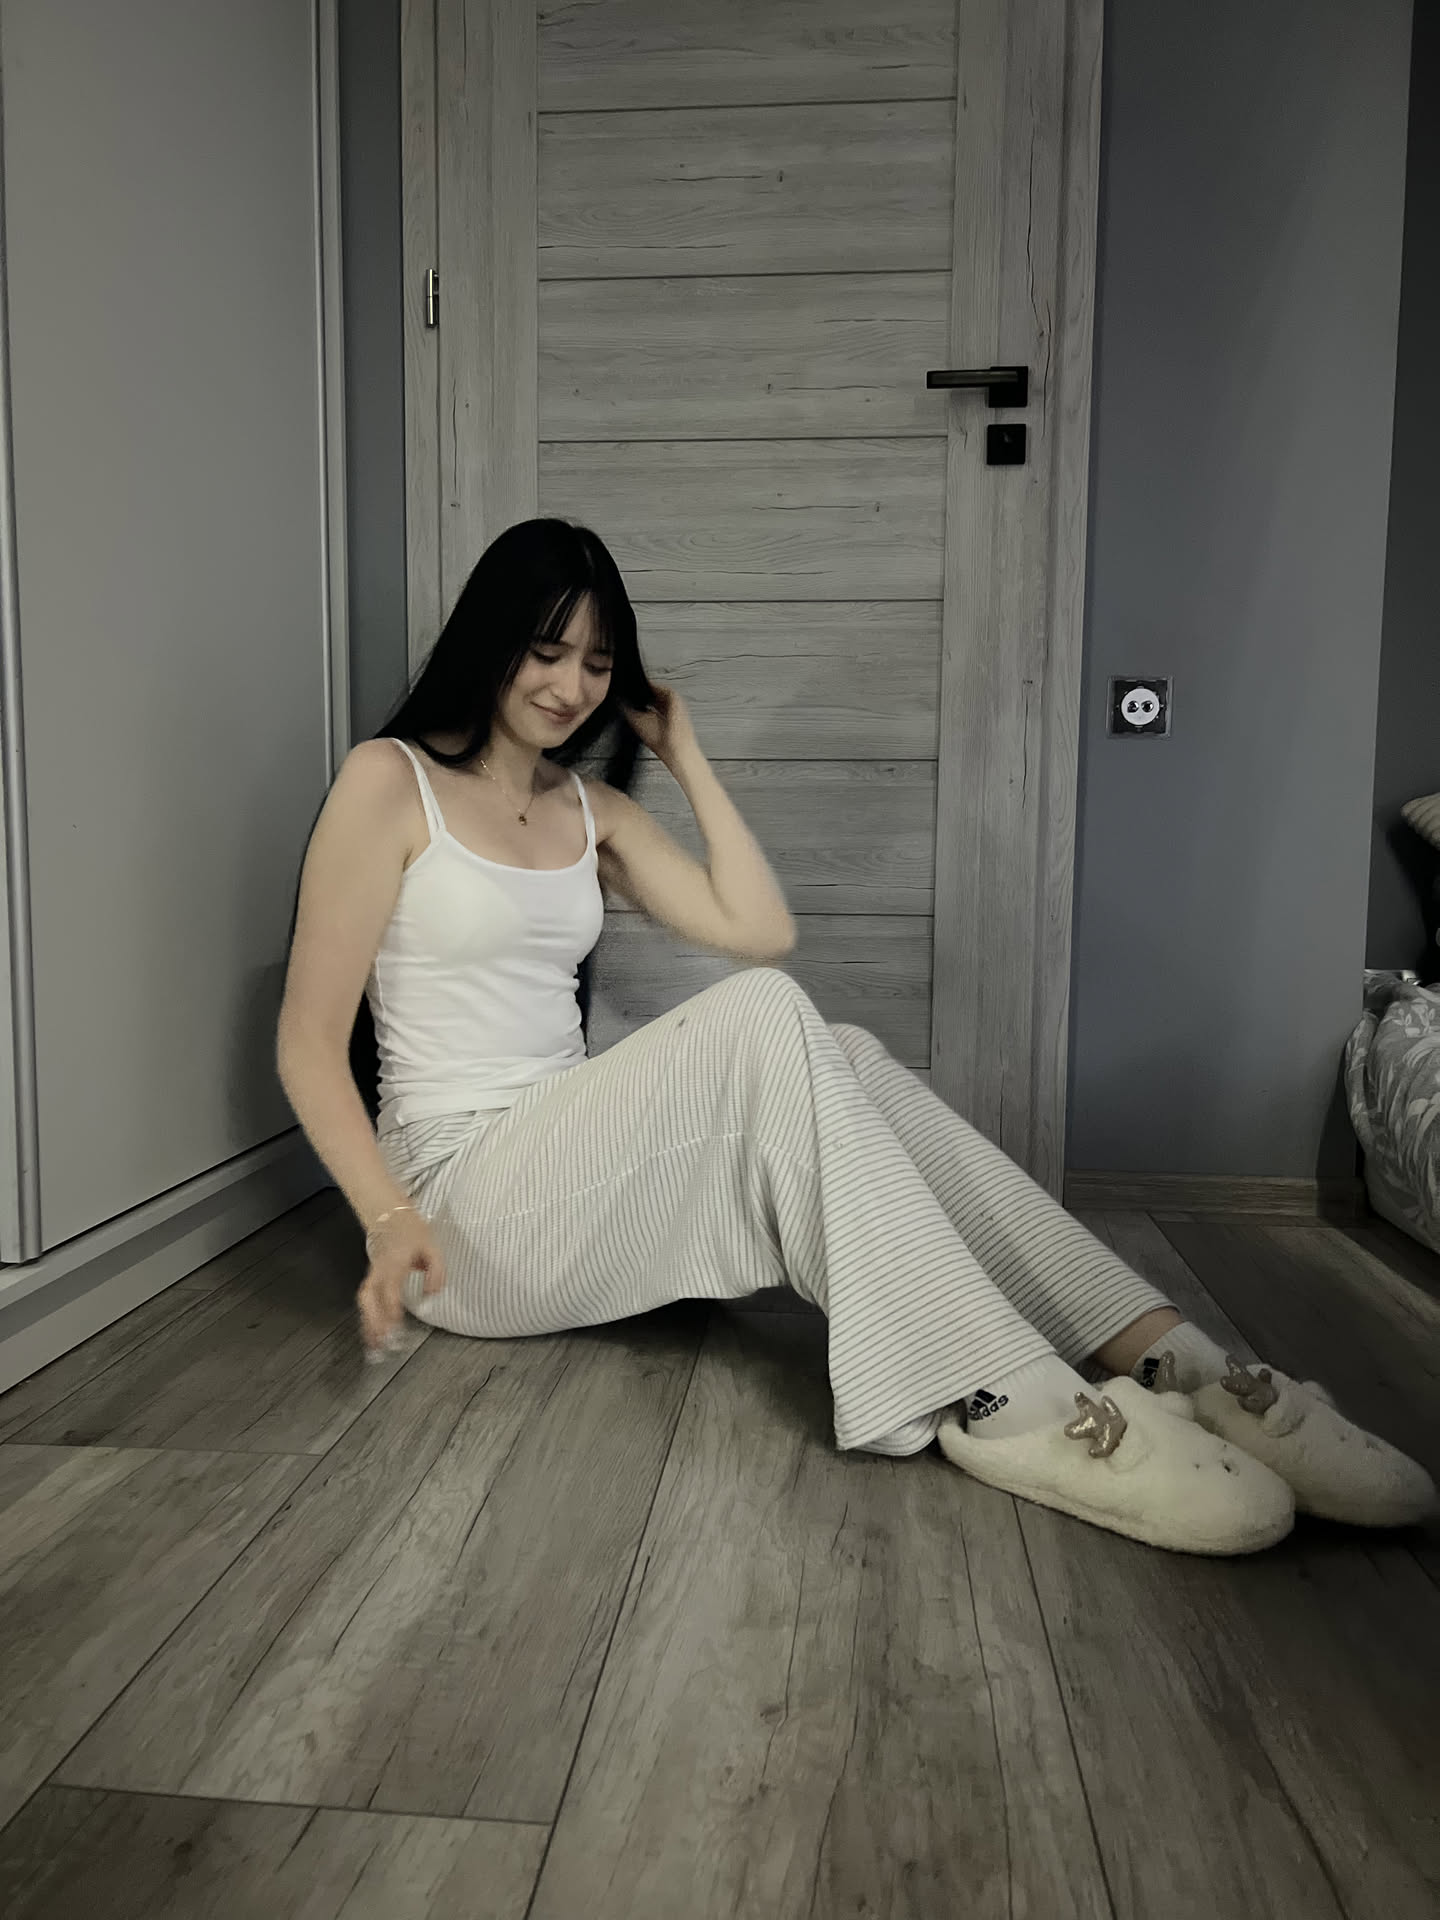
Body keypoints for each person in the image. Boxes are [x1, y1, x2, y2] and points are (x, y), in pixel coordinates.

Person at [277, 518, 1434, 1555]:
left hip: (565, 1171)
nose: (573, 684)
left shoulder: (593, 812)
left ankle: (1181, 1362)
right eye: (547, 650)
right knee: (766, 1017)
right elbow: (308, 1041)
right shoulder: (389, 783)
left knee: (847, 1052)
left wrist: (687, 757)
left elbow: (758, 929)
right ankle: (1005, 1397)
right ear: (491, 639)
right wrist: (386, 1218)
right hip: (454, 1211)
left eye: (596, 661)